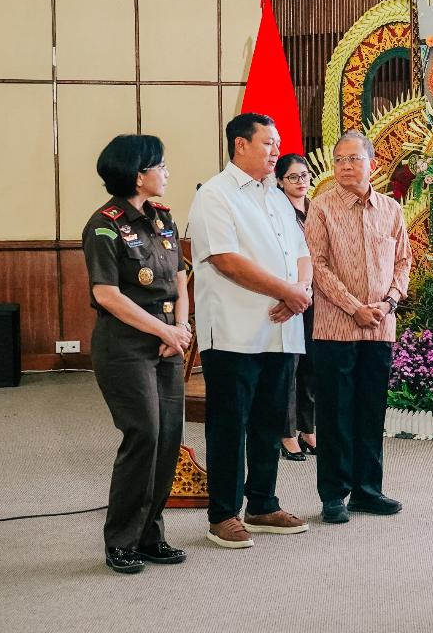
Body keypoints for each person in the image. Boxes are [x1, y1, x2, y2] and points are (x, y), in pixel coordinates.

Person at [188, 112, 313, 548]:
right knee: (229, 424)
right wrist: (287, 291)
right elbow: (225, 259)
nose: (276, 151)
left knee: (269, 421)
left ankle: (261, 504)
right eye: (268, 143)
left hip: (282, 331)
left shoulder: (276, 196)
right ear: (240, 145)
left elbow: (301, 250)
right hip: (235, 333)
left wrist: (300, 289)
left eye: (278, 143)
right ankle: (222, 514)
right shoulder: (215, 195)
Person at [83, 134, 192, 574]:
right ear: (138, 173)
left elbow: (181, 281)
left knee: (168, 439)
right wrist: (163, 329)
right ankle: (121, 540)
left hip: (167, 343)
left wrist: (180, 330)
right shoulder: (104, 224)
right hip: (125, 347)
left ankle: (150, 535)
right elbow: (107, 294)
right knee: (144, 433)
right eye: (160, 166)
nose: (166, 173)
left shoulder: (163, 218)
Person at [304, 130, 412, 524]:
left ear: (372, 164)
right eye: (339, 160)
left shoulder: (390, 210)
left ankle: (368, 490)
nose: (345, 167)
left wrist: (389, 302)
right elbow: (317, 265)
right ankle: (333, 495)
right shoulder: (321, 208)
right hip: (336, 329)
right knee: (334, 414)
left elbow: (403, 262)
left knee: (371, 411)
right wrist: (354, 307)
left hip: (380, 328)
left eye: (353, 159)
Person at [275, 153, 317, 462]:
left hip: (317, 296)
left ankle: (308, 428)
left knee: (311, 365)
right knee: (289, 366)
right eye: (293, 177)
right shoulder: (275, 212)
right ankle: (287, 433)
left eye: (304, 175)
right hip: (288, 295)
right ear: (279, 181)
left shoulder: (316, 209)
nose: (300, 182)